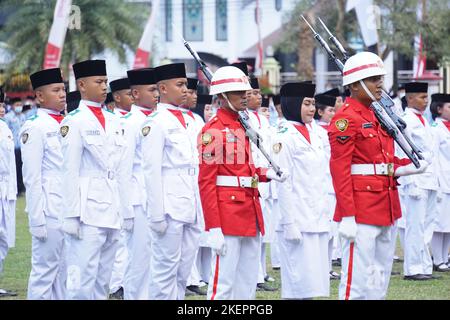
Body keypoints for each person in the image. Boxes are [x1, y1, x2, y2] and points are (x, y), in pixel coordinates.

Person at [328, 52, 429, 299]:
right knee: (357, 281)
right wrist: (348, 215)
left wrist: (407, 166)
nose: (379, 84)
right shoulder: (346, 119)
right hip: (361, 209)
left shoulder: (377, 115)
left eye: (380, 78)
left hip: (386, 204)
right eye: (373, 79)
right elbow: (340, 170)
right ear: (354, 85)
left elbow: (383, 160)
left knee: (379, 277)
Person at [198, 65, 288, 300]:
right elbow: (207, 182)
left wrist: (267, 173)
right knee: (223, 284)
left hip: (249, 211)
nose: (245, 96)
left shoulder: (242, 125)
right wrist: (213, 227)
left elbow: (242, 170)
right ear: (222, 96)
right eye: (238, 92)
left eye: (246, 91)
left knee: (247, 283)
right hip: (227, 216)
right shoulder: (214, 131)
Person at [60, 59, 127, 299]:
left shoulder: (114, 120)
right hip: (86, 210)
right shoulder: (74, 121)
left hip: (111, 207)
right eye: (98, 82)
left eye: (106, 82)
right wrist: (70, 214)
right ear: (82, 85)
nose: (104, 87)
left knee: (104, 276)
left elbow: (120, 170)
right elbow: (69, 170)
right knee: (82, 276)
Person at [141, 63, 201, 300]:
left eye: (186, 84)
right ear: (163, 88)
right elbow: (151, 170)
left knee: (183, 270)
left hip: (191, 202)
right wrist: (156, 214)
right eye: (180, 85)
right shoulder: (155, 122)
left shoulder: (190, 120)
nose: (186, 89)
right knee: (165, 269)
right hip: (169, 205)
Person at [273, 82, 331, 299]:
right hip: (296, 218)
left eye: (313, 104)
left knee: (313, 283)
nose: (312, 109)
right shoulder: (284, 135)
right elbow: (283, 183)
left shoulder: (315, 133)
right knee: (297, 284)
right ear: (293, 104)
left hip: (316, 216)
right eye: (307, 104)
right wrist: (289, 222)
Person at [20, 68, 67, 299]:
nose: (62, 94)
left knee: (65, 273)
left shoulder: (68, 121)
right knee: (44, 272)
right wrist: (36, 219)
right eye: (56, 90)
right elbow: (32, 176)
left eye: (64, 90)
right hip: (49, 208)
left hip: (68, 207)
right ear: (39, 96)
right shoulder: (35, 126)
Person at [118, 68, 159, 300]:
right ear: (134, 93)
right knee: (139, 259)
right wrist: (125, 210)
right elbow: (123, 168)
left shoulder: (156, 119)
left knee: (156, 258)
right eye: (151, 90)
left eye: (157, 89)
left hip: (155, 197)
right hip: (136, 198)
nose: (156, 95)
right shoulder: (130, 122)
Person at [400, 82, 439, 281]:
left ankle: (425, 267)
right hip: (416, 180)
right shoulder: (405, 120)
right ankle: (413, 268)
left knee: (427, 225)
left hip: (430, 179)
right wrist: (410, 181)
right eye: (422, 97)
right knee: (415, 226)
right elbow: (403, 151)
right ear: (410, 98)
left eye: (427, 97)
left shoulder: (423, 120)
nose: (426, 101)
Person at [107, 76, 133, 299]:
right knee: (120, 239)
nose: (133, 98)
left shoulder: (138, 119)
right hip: (116, 186)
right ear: (116, 97)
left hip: (133, 186)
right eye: (128, 94)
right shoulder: (112, 120)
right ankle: (116, 285)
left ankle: (126, 281)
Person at [313, 93, 340, 280]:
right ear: (320, 111)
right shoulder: (318, 131)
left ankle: (328, 266)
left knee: (332, 231)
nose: (333, 113)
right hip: (324, 184)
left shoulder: (330, 130)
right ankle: (322, 267)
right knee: (325, 231)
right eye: (330, 110)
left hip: (333, 185)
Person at [429, 93, 450, 272]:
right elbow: (433, 157)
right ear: (439, 109)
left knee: (448, 223)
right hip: (441, 180)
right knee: (439, 222)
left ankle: (445, 257)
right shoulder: (435, 129)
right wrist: (435, 181)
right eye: (449, 107)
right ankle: (437, 258)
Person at [0, 88, 17, 298]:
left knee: (3, 237)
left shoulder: (4, 128)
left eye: (3, 105)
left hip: (6, 188)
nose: (2, 109)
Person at [4, 97, 26, 195]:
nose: (19, 107)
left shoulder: (22, 116)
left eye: (20, 105)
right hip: (13, 147)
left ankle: (22, 188)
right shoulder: (8, 117)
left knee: (22, 168)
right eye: (17, 105)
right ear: (12, 106)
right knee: (15, 168)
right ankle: (15, 189)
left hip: (22, 147)